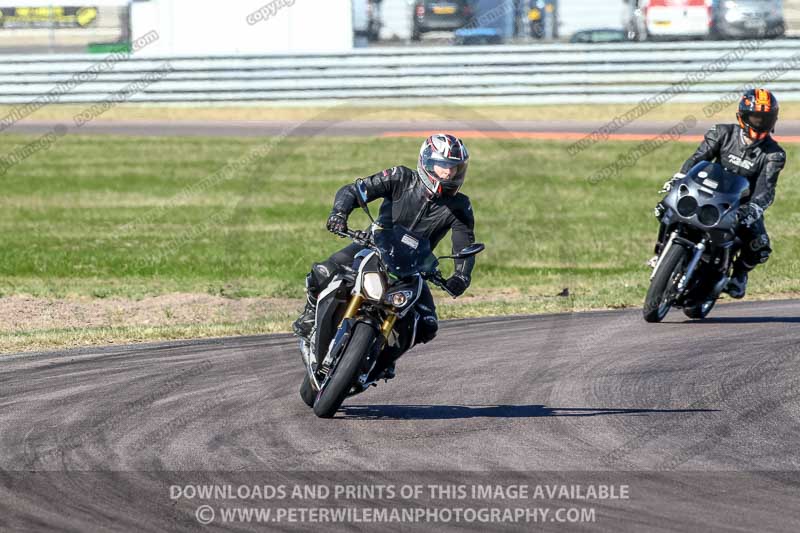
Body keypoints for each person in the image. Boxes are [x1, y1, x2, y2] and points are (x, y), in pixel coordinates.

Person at [292, 133, 477, 377]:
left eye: (454, 168)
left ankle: (384, 358)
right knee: (323, 271)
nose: (449, 173)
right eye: (443, 166)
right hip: (373, 245)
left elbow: (464, 244)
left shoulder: (460, 206)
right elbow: (355, 190)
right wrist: (339, 214)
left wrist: (461, 277)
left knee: (427, 324)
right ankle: (308, 316)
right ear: (427, 163)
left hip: (413, 267)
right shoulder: (400, 177)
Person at [655, 88, 786, 298]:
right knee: (665, 206)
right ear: (743, 117)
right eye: (755, 117)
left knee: (760, 247)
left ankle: (739, 276)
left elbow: (766, 188)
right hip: (707, 190)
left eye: (765, 118)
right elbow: (698, 158)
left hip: (740, 205)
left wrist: (753, 208)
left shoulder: (774, 154)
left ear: (773, 120)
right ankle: (661, 249)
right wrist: (680, 177)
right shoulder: (721, 133)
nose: (760, 122)